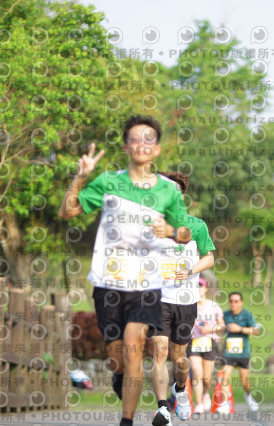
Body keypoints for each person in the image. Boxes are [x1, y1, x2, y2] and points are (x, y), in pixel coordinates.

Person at [58, 115, 190, 426]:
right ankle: (118, 376)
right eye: (135, 139)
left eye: (148, 140)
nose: (141, 145)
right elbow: (68, 211)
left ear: (156, 149)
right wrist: (80, 177)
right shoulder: (108, 182)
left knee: (134, 349)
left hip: (146, 285)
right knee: (118, 358)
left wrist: (171, 231)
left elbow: (186, 233)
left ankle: (126, 421)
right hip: (108, 282)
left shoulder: (168, 191)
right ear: (125, 147)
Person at [150, 172, 216, 426]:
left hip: (186, 300)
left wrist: (189, 271)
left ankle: (180, 389)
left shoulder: (196, 226)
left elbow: (209, 258)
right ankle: (162, 408)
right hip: (158, 299)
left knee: (180, 358)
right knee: (159, 350)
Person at [217, 292, 261, 413]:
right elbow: (222, 329)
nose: (233, 304)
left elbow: (256, 330)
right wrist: (219, 337)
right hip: (228, 352)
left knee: (244, 381)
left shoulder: (247, 314)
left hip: (243, 352)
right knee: (225, 376)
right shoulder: (226, 315)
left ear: (241, 302)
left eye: (236, 301)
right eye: (231, 301)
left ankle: (249, 396)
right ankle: (225, 403)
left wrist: (240, 329)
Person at [188, 278, 225, 414]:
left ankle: (205, 393)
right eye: (195, 286)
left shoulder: (213, 306)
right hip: (194, 342)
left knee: (207, 377)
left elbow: (222, 325)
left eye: (200, 286)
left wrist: (210, 329)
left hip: (210, 341)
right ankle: (198, 403)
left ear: (205, 288)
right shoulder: (189, 306)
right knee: (196, 373)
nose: (198, 289)